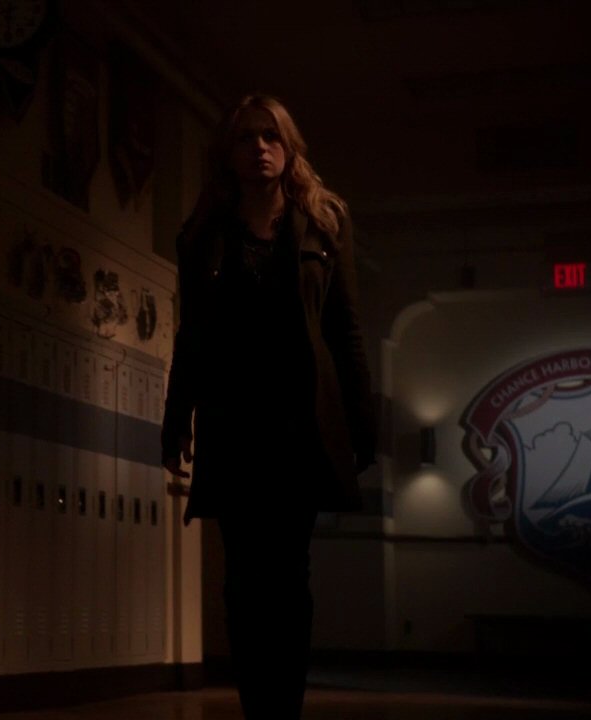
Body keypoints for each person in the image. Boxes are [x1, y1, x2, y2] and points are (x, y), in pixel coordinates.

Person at [160, 93, 377, 719]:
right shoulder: (203, 235)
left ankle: (284, 706)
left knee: (287, 574)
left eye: (270, 136)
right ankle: (260, 706)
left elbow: (346, 329)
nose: (259, 147)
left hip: (299, 424)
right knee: (243, 579)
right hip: (234, 423)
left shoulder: (324, 224)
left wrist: (362, 422)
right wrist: (176, 420)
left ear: (288, 148)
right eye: (246, 137)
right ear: (227, 153)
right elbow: (191, 335)